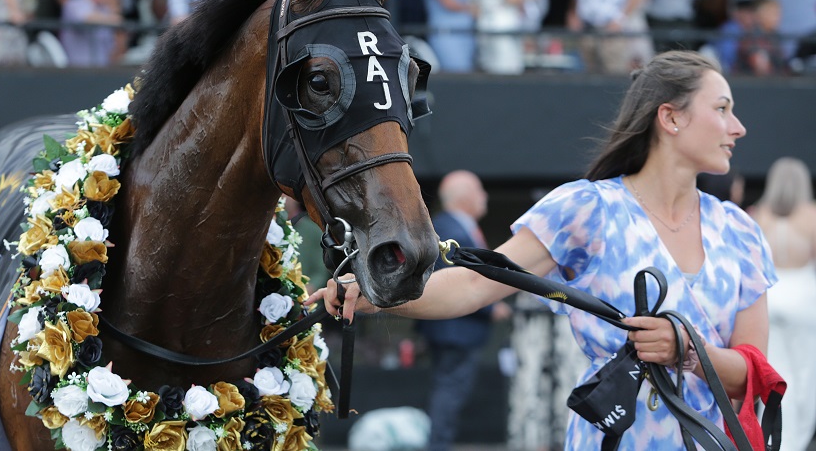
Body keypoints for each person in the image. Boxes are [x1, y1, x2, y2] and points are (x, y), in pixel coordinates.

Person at [312, 50, 775, 450]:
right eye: (722, 108)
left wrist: (686, 351)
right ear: (671, 118)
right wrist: (376, 292)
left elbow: (753, 375)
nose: (738, 127)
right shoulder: (587, 208)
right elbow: (477, 284)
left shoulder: (740, 231)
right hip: (613, 438)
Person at [416, 171, 510, 451]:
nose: (485, 197)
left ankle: (439, 444)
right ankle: (438, 446)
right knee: (449, 392)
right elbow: (461, 280)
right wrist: (491, 307)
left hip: (453, 327)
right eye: (480, 191)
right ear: (465, 196)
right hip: (455, 328)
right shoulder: (453, 230)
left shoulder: (449, 226)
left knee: (448, 391)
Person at [748, 157, 816, 451]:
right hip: (804, 301)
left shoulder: (756, 216)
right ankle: (796, 441)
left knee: (772, 373)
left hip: (769, 299)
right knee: (805, 375)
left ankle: (773, 438)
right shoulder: (812, 216)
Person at [59, 0, 122, 66]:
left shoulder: (105, 9)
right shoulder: (74, 3)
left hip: (103, 71)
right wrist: (112, 18)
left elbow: (114, 50)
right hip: (78, 71)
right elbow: (86, 19)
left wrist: (114, 11)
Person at [734, 0, 787, 76]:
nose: (778, 18)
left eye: (778, 13)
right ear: (761, 15)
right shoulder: (751, 36)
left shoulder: (775, 35)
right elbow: (760, 67)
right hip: (753, 84)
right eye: (774, 13)